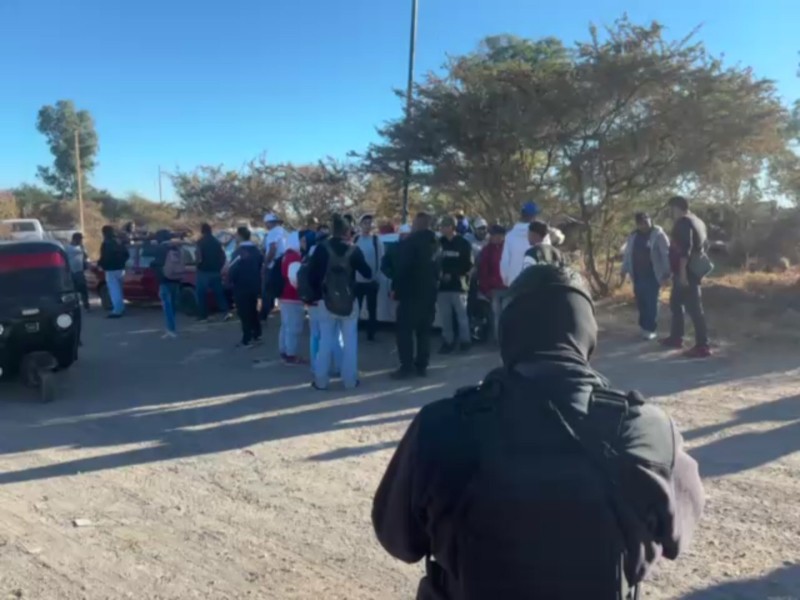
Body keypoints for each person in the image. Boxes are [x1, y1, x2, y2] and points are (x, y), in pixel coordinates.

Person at [372, 264, 705, 600]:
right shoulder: (649, 428)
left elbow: (399, 539)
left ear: (510, 331)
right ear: (587, 332)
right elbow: (677, 535)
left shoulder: (441, 425)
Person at [306, 214, 372, 390]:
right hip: (349, 301)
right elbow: (367, 273)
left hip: (325, 301)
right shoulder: (354, 250)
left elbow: (312, 275)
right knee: (350, 342)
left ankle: (320, 381)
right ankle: (350, 381)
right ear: (347, 231)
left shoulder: (321, 248)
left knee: (326, 340)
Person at [662, 196, 712, 358]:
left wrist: (682, 274)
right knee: (675, 304)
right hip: (689, 270)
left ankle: (702, 346)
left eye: (671, 209)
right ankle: (676, 337)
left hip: (686, 271)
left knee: (695, 309)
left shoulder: (684, 222)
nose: (671, 212)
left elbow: (685, 249)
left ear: (677, 207)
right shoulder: (698, 221)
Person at [389, 216, 439, 379]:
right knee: (424, 332)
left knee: (404, 332)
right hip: (429, 294)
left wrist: (395, 288)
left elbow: (402, 269)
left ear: (416, 225)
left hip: (411, 294)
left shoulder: (411, 243)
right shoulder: (436, 244)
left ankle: (407, 367)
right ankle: (422, 366)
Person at [621, 213, 671, 340]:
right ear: (638, 224)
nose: (645, 224)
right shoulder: (633, 236)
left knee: (652, 302)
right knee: (641, 302)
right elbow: (628, 254)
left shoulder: (658, 235)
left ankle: (650, 329)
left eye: (647, 221)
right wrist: (624, 269)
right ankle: (643, 327)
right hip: (637, 274)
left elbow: (666, 254)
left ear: (650, 220)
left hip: (653, 275)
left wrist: (667, 273)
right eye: (641, 222)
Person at [437, 216, 473, 354]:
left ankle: (465, 341)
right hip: (443, 287)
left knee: (461, 316)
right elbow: (435, 261)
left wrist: (453, 274)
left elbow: (469, 265)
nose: (442, 229)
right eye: (441, 226)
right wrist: (439, 274)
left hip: (459, 286)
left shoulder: (463, 243)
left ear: (452, 227)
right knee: (445, 317)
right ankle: (448, 341)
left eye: (444, 226)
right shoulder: (440, 243)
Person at [228, 227, 264, 348]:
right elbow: (260, 265)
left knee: (244, 312)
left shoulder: (238, 252)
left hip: (241, 286)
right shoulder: (256, 250)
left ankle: (247, 339)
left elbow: (232, 270)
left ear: (240, 235)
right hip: (254, 284)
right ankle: (257, 334)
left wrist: (231, 281)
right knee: (253, 310)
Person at [354, 214, 385, 342]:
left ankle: (371, 334)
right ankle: (353, 332)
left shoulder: (376, 240)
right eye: (365, 222)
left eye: (369, 223)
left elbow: (381, 259)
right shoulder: (356, 240)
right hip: (357, 281)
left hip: (371, 281)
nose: (367, 225)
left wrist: (377, 277)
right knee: (356, 308)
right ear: (360, 224)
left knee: (372, 308)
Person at [279, 232, 306, 365]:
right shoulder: (294, 257)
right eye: (302, 240)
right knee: (293, 326)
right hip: (292, 296)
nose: (304, 243)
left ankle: (284, 350)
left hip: (284, 295)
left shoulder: (286, 255)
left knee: (285, 325)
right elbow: (295, 278)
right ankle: (291, 354)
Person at [195, 223, 232, 322]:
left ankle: (203, 315)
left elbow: (198, 257)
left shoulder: (200, 242)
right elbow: (223, 256)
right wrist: (220, 267)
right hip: (216, 271)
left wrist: (197, 265)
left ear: (202, 231)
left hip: (203, 271)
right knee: (219, 293)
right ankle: (225, 312)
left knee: (201, 294)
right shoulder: (217, 242)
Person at [501, 201, 543, 286]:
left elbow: (504, 263)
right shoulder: (543, 235)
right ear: (534, 216)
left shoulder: (510, 236)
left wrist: (506, 281)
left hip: (515, 284)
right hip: (537, 284)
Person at [151, 239, 186, 339]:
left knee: (167, 306)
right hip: (176, 278)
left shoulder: (161, 249)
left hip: (165, 280)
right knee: (173, 304)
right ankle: (172, 326)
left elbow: (156, 262)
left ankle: (171, 329)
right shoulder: (177, 249)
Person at [477, 224, 506, 342]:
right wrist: (486, 288)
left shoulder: (508, 248)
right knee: (496, 315)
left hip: (508, 286)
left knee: (509, 314)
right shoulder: (487, 250)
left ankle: (510, 338)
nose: (495, 237)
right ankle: (499, 339)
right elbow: (483, 271)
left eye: (498, 235)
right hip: (494, 288)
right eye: (493, 235)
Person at [98, 225, 129, 318]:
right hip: (121, 268)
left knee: (114, 290)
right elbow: (127, 254)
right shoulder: (119, 241)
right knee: (119, 289)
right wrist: (122, 262)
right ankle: (121, 308)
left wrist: (101, 264)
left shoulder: (106, 243)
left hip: (111, 269)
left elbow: (104, 257)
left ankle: (117, 310)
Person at [260, 213, 287, 320]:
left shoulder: (272, 233)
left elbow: (272, 248)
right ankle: (273, 306)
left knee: (266, 286)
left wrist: (265, 264)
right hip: (284, 261)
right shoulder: (284, 231)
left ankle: (264, 312)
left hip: (274, 263)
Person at [65, 232, 90, 310]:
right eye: (80, 239)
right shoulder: (67, 248)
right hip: (71, 271)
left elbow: (86, 257)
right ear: (76, 239)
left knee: (83, 289)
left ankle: (86, 305)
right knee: (73, 290)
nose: (81, 240)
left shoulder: (81, 247)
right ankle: (74, 305)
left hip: (80, 271)